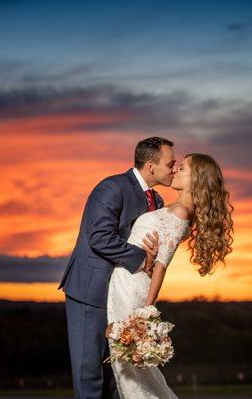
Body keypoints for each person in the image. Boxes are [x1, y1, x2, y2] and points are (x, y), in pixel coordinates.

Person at [106, 153, 235, 398]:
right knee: (126, 367)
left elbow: (161, 265)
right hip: (123, 280)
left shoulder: (180, 213)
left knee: (128, 369)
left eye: (182, 168)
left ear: (195, 178)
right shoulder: (172, 207)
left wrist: (146, 311)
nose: (176, 171)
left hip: (132, 288)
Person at [58, 137, 177, 399]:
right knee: (89, 371)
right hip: (91, 291)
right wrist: (142, 259)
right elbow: (99, 236)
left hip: (124, 294)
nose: (174, 169)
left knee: (117, 371)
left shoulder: (156, 200)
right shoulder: (111, 187)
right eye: (170, 164)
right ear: (150, 165)